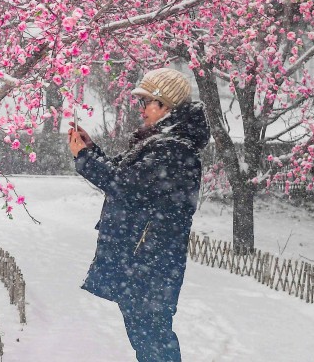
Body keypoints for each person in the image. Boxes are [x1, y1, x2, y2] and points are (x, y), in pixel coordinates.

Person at [68, 68, 210, 362]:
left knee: (154, 341)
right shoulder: (159, 143)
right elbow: (124, 175)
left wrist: (84, 158)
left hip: (151, 264)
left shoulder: (173, 150)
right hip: (145, 262)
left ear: (167, 106)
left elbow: (123, 184)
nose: (141, 109)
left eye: (147, 102)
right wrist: (91, 149)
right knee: (148, 339)